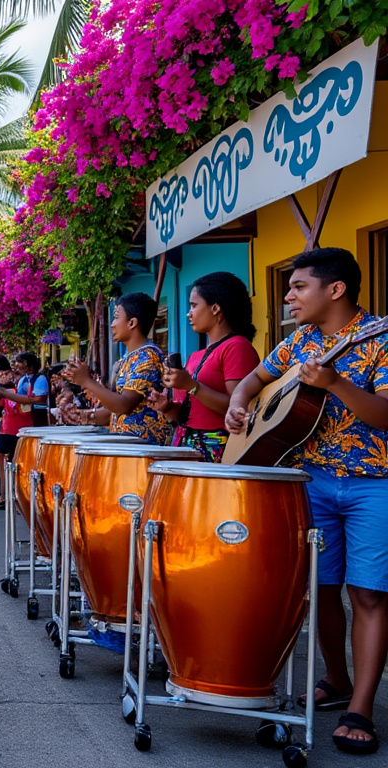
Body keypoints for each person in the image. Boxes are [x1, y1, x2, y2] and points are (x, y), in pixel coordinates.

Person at [225, 247, 388, 755]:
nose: (289, 297)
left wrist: (335, 383)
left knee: (368, 594)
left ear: (335, 289)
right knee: (321, 587)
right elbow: (254, 381)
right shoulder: (300, 341)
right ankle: (336, 679)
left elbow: (385, 415)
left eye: (299, 287)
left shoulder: (379, 339)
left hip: (374, 482)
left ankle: (361, 707)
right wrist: (238, 404)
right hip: (311, 480)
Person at [143, 272, 260, 462]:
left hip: (217, 449)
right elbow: (191, 413)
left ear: (215, 308)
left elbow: (238, 408)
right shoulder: (195, 356)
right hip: (186, 444)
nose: (189, 313)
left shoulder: (237, 346)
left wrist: (192, 386)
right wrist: (167, 407)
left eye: (194, 305)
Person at [64, 293, 170, 445]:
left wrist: (86, 381)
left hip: (143, 449)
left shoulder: (147, 357)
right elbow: (114, 409)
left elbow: (123, 405)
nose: (112, 324)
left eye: (116, 317)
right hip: (127, 447)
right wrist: (83, 416)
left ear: (132, 323)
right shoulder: (128, 358)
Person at [0, 355, 41, 510]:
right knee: (2, 460)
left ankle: (18, 499)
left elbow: (30, 401)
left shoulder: (33, 382)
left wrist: (4, 392)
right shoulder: (10, 388)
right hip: (7, 428)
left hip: (22, 428)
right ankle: (5, 496)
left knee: (19, 464)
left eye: (13, 373)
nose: (9, 376)